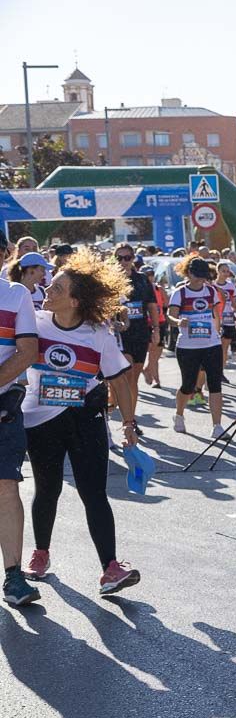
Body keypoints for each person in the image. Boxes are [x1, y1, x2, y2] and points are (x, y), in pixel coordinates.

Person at [21, 250, 141, 595]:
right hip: (41, 421)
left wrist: (128, 423)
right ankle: (41, 552)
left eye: (56, 288)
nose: (47, 290)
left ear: (74, 300)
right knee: (47, 490)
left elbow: (119, 379)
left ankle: (111, 569)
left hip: (85, 420)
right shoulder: (35, 323)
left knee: (94, 493)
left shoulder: (97, 333)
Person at [0, 270, 39, 606]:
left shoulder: (15, 294)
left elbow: (27, 351)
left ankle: (13, 575)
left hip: (3, 405)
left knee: (5, 485)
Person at [167, 255, 226, 438]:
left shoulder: (210, 292)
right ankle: (179, 415)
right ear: (189, 273)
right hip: (188, 347)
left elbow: (216, 314)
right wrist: (178, 322)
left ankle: (217, 426)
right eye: (197, 275)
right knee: (188, 385)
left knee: (215, 385)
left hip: (211, 344)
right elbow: (170, 316)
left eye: (204, 276)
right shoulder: (180, 293)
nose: (201, 279)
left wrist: (218, 332)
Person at [111, 243, 159, 427]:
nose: (123, 262)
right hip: (119, 334)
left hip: (140, 333)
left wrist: (156, 330)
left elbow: (152, 306)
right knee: (128, 374)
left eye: (127, 258)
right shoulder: (110, 279)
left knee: (134, 379)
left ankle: (130, 418)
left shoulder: (141, 280)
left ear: (133, 259)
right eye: (119, 258)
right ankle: (127, 420)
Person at [215, 260, 236, 370]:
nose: (225, 273)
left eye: (227, 271)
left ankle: (221, 372)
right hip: (216, 318)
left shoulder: (231, 286)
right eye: (223, 271)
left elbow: (234, 303)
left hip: (229, 318)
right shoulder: (212, 286)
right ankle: (214, 371)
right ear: (218, 271)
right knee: (217, 347)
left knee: (225, 347)